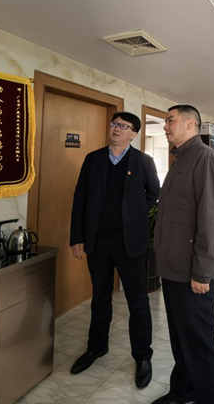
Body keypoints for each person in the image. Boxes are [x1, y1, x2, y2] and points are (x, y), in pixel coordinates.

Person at [69, 112, 159, 388]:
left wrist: (133, 214)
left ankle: (142, 356)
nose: (117, 129)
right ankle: (97, 347)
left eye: (124, 126)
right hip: (97, 242)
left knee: (137, 300)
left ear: (134, 134)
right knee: (100, 297)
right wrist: (77, 236)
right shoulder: (93, 158)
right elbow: (80, 196)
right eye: (114, 124)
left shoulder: (143, 161)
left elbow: (153, 193)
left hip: (130, 243)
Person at [152, 104, 214, 404]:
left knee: (198, 342)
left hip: (192, 272)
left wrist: (202, 272)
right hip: (173, 267)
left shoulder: (205, 158)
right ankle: (182, 390)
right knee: (181, 337)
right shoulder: (181, 158)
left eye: (170, 121)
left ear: (189, 124)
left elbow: (212, 220)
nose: (165, 126)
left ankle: (207, 398)